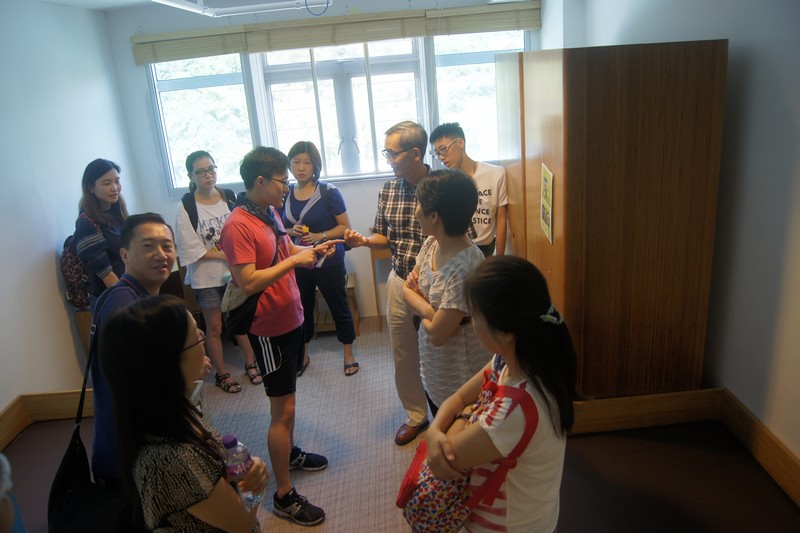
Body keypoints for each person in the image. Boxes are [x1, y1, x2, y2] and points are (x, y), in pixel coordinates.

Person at [220, 146, 339, 526]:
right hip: (268, 328)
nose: (286, 188)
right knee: (282, 408)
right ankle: (284, 494)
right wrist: (293, 260)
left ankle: (288, 453)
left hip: (291, 317)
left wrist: (311, 249)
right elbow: (248, 280)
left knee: (288, 402)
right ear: (259, 181)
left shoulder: (267, 212)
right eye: (281, 181)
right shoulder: (237, 225)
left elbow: (284, 248)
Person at [424, 256, 578, 532]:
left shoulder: (515, 406)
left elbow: (446, 461)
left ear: (506, 330)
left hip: (509, 525)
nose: (472, 325)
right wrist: (435, 428)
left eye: (475, 317)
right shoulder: (511, 361)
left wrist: (456, 419)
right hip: (528, 508)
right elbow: (460, 397)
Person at [100, 295, 268, 532]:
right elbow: (241, 523)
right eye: (197, 338)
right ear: (168, 364)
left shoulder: (171, 413)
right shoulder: (172, 459)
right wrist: (254, 488)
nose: (204, 342)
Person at [91, 212, 212, 486]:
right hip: (134, 456)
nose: (161, 254)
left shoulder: (137, 298)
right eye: (148, 246)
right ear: (124, 255)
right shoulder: (125, 306)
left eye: (167, 246)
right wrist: (190, 368)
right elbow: (139, 382)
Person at [344, 120, 432, 446]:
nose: (388, 160)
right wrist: (364, 241)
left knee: (442, 349)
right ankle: (416, 416)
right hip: (400, 280)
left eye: (392, 153)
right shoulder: (389, 189)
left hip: (435, 284)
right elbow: (384, 237)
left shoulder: (443, 186)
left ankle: (452, 412)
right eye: (386, 153)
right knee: (403, 353)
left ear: (415, 153)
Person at [402, 169, 488, 416]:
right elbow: (406, 291)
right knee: (436, 407)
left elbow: (439, 334)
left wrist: (422, 306)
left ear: (435, 215)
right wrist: (432, 311)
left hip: (461, 373)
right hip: (435, 366)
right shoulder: (432, 244)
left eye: (419, 203)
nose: (416, 209)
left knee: (457, 435)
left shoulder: (465, 266)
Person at [175, 150, 262, 393]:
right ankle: (222, 373)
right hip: (206, 278)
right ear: (191, 175)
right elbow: (189, 247)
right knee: (215, 327)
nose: (207, 175)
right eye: (200, 171)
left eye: (211, 169)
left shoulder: (229, 197)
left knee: (242, 319)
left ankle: (251, 362)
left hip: (235, 272)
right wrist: (224, 253)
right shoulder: (187, 206)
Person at [281, 141, 359, 377]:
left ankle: (348, 354)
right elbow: (281, 226)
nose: (301, 167)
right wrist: (290, 231)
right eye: (296, 162)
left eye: (307, 162)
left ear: (315, 165)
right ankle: (303, 355)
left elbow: (345, 227)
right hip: (300, 260)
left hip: (328, 259)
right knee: (302, 307)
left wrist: (319, 235)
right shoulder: (285, 193)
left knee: (338, 306)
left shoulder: (328, 191)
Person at [430, 122, 508, 257]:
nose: (441, 157)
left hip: (486, 248)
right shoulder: (445, 182)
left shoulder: (495, 173)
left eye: (443, 149)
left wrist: (499, 260)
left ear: (460, 143)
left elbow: (501, 218)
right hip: (456, 249)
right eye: (437, 153)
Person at [74, 158, 129, 310]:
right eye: (106, 183)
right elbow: (106, 274)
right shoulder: (86, 225)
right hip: (112, 300)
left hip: (128, 291)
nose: (115, 188)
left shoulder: (118, 214)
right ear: (91, 187)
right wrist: (132, 301)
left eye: (117, 181)